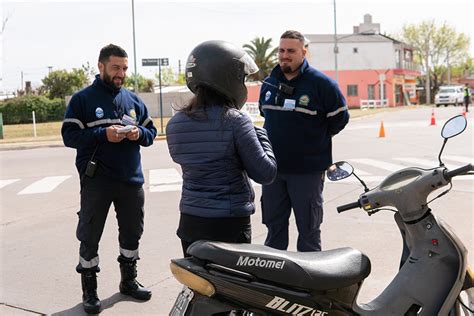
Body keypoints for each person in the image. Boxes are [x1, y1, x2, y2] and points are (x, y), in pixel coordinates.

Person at [62, 44, 157, 314]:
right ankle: (89, 291)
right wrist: (103, 134)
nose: (121, 73)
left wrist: (139, 133)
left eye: (125, 68)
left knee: (132, 233)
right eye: (116, 67)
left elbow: (151, 133)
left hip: (130, 181)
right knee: (89, 235)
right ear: (101, 66)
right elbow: (69, 136)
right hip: (97, 182)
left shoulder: (133, 100)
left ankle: (128, 281)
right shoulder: (82, 100)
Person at [166, 40, 277, 257]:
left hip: (190, 220)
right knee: (231, 289)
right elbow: (266, 173)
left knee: (199, 285)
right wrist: (261, 134)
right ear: (227, 77)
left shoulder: (175, 123)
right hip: (229, 224)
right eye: (242, 78)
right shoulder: (235, 121)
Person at [259, 30, 350, 252]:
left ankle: (309, 284)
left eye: (291, 51)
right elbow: (266, 116)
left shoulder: (322, 84)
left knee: (309, 231)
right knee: (274, 230)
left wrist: (314, 141)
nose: (285, 55)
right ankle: (274, 281)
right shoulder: (269, 84)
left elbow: (339, 119)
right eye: (281, 50)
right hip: (273, 172)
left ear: (303, 52)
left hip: (307, 173)